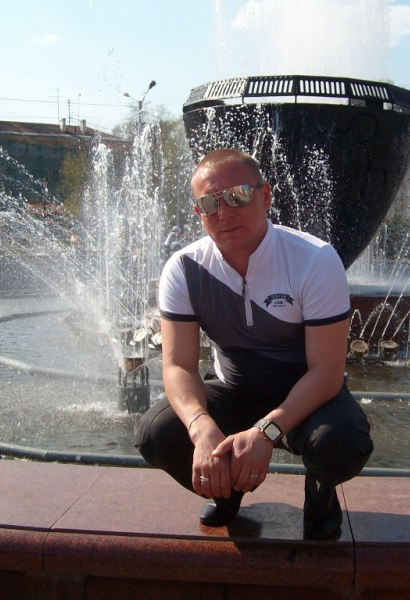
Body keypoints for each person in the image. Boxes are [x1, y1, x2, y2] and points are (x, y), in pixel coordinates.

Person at [135, 148, 373, 540]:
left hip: (308, 397)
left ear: (265, 196)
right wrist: (200, 427)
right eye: (210, 203)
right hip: (233, 390)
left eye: (238, 196)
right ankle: (225, 491)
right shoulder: (184, 268)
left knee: (341, 444)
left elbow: (327, 372)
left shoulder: (314, 260)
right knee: (155, 434)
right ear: (198, 212)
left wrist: (267, 432)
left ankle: (320, 492)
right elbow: (178, 366)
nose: (224, 213)